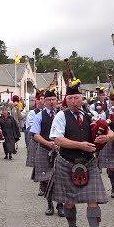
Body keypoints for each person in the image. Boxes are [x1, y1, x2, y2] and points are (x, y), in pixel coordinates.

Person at [49, 79, 114, 227]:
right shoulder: (61, 116)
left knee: (93, 200)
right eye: (70, 98)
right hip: (67, 162)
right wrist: (81, 145)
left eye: (76, 98)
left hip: (89, 162)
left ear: (82, 98)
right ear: (66, 100)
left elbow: (110, 130)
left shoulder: (90, 114)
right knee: (69, 203)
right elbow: (57, 139)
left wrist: (107, 138)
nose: (73, 101)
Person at [30, 88, 64, 216]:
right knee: (45, 180)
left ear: (56, 101)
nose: (51, 102)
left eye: (53, 99)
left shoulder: (61, 115)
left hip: (61, 151)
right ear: (44, 102)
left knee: (60, 179)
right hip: (45, 149)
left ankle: (60, 205)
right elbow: (35, 134)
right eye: (49, 100)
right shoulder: (39, 116)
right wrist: (48, 143)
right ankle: (50, 204)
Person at [25, 91, 44, 189]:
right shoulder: (32, 113)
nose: (42, 101)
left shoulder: (51, 112)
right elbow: (32, 128)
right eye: (40, 99)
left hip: (48, 140)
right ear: (36, 100)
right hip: (37, 140)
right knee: (40, 163)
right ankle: (42, 184)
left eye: (43, 98)